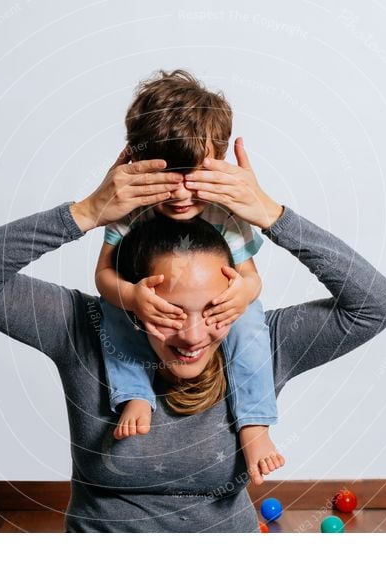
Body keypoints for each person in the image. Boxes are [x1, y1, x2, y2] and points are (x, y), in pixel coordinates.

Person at [0, 140, 386, 532]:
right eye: (171, 312)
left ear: (237, 296)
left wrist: (271, 214)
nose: (194, 335)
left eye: (214, 310)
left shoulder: (261, 343)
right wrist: (85, 212)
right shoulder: (85, 328)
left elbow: (377, 303)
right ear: (134, 297)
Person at [95, 69, 281, 485]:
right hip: (150, 310)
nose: (180, 196)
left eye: (193, 179)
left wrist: (241, 293)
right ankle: (134, 394)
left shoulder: (224, 209)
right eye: (166, 179)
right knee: (114, 308)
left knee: (251, 319)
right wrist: (130, 295)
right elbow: (103, 275)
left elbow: (252, 279)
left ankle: (254, 423)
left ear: (218, 165)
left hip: (216, 311)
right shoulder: (130, 207)